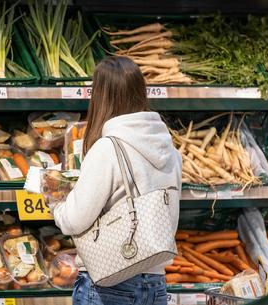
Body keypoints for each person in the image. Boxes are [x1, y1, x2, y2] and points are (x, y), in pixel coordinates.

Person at [51, 56, 182, 305]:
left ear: (101, 95)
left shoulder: (107, 149)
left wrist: (56, 205)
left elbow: (75, 220)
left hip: (110, 283)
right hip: (155, 284)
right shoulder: (169, 150)